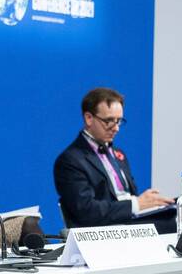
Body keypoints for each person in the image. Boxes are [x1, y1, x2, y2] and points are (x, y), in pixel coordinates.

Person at [53, 87, 175, 232]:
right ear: (89, 118)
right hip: (100, 231)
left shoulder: (118, 154)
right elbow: (87, 211)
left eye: (119, 121)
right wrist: (136, 204)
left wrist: (150, 204)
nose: (116, 128)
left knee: (174, 213)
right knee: (168, 223)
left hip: (127, 222)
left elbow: (130, 196)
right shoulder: (70, 161)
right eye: (109, 121)